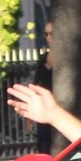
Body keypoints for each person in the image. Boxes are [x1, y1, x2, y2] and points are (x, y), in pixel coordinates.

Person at [28, 22, 55, 154]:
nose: (49, 37)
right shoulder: (43, 59)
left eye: (52, 33)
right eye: (46, 34)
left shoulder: (66, 60)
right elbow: (36, 84)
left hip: (58, 106)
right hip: (44, 107)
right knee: (43, 145)